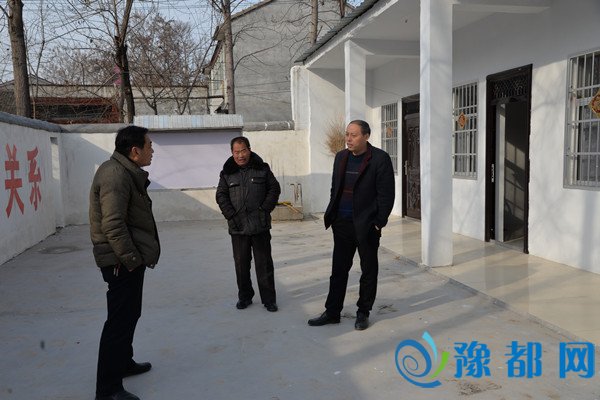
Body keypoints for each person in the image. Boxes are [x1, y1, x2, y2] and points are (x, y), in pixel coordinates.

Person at [89, 125, 160, 400]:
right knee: (118, 323)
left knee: (130, 314)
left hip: (129, 259)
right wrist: (130, 260)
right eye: (149, 145)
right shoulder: (115, 175)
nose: (152, 150)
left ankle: (123, 363)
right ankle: (108, 389)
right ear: (134, 151)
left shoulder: (125, 171)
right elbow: (113, 224)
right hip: (120, 260)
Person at [308, 120, 395, 331]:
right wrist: (334, 215)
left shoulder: (380, 159)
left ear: (366, 136)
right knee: (338, 270)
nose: (348, 139)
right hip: (342, 225)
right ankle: (332, 312)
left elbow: (386, 194)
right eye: (347, 134)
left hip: (367, 226)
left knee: (368, 271)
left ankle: (363, 312)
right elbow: (335, 187)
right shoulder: (341, 157)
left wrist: (378, 222)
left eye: (353, 135)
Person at [216, 136, 281, 312]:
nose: (240, 155)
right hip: (238, 227)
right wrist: (231, 216)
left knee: (264, 264)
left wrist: (264, 209)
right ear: (232, 153)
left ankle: (269, 300)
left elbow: (274, 188)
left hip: (260, 225)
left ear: (249, 150)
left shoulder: (262, 169)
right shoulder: (227, 173)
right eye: (236, 152)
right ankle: (245, 297)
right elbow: (221, 195)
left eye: (243, 150)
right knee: (241, 265)